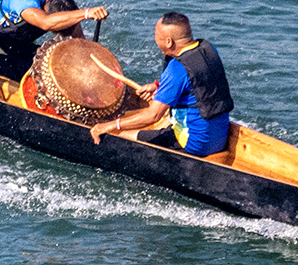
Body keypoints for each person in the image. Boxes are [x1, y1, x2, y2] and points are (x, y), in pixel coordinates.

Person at [88, 11, 237, 161]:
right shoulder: (209, 50)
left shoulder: (176, 69)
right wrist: (159, 89)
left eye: (156, 36)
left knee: (120, 134)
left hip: (195, 144)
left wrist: (110, 126)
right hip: (219, 137)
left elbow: (153, 116)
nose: (155, 40)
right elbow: (199, 87)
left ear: (168, 42)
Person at [0, 0, 109, 81]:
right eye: (55, 29)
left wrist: (86, 57)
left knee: (56, 65)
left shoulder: (64, 0)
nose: (54, 32)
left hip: (23, 42)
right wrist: (87, 13)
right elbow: (45, 23)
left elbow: (76, 34)